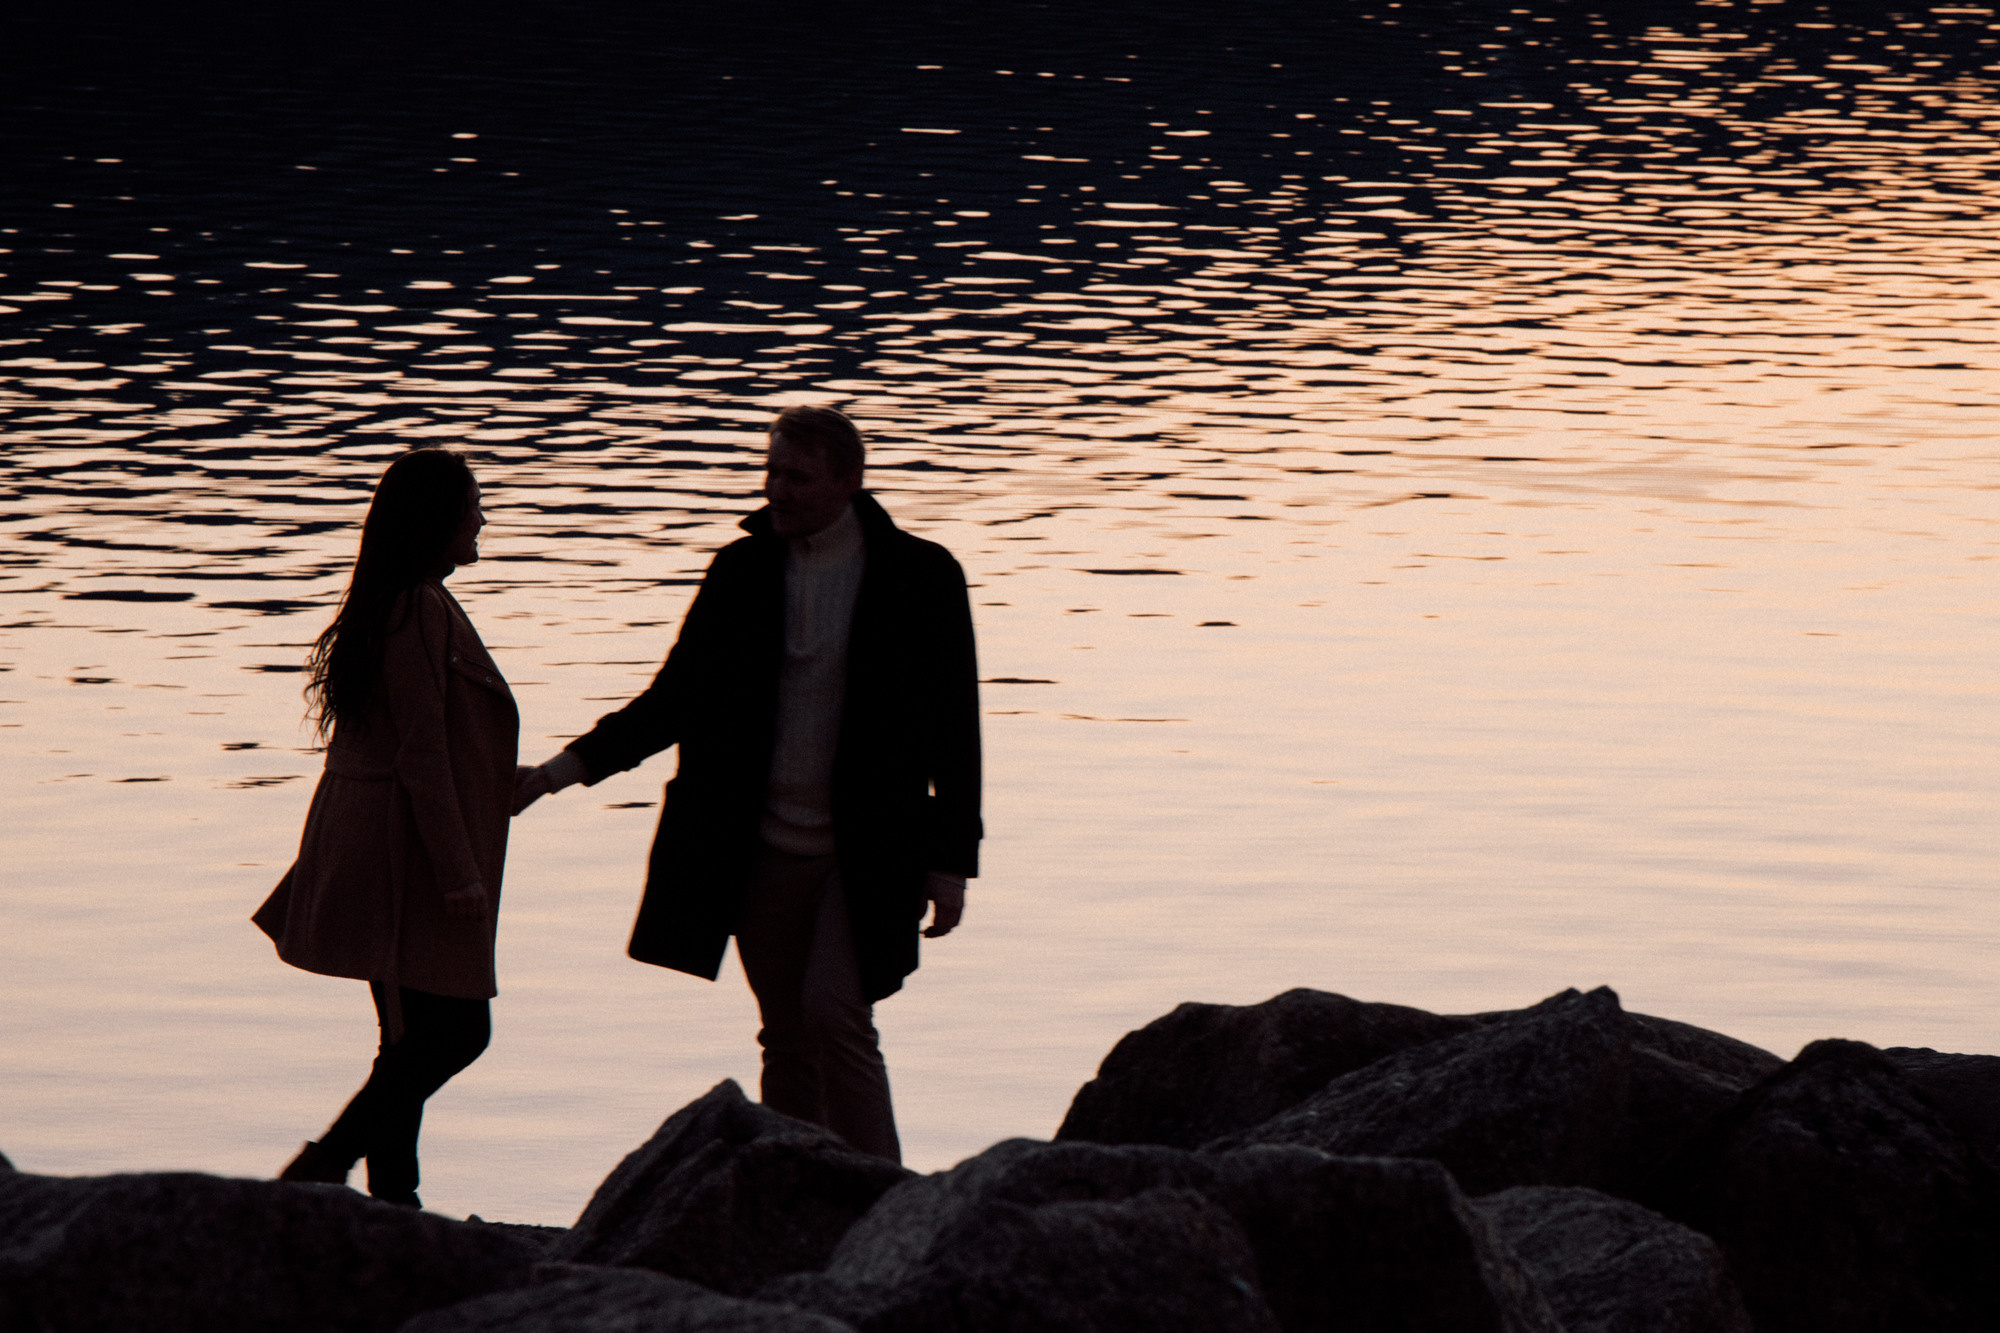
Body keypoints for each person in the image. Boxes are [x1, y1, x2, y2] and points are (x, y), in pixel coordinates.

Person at [513, 405, 980, 1162]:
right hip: (758, 846)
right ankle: (793, 1196)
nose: (777, 491)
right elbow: (674, 697)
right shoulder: (743, 572)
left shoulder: (920, 576)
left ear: (847, 482)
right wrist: (555, 774)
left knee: (836, 1013)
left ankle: (893, 1201)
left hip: (870, 850)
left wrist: (951, 863)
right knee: (787, 1035)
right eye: (771, 473)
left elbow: (956, 730)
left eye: (796, 476)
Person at [253, 447, 518, 1208]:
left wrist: (510, 786)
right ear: (436, 520)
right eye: (474, 505)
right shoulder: (414, 608)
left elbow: (435, 743)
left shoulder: (406, 600)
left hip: (393, 842)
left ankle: (393, 1203)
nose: (483, 519)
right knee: (455, 1031)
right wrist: (459, 871)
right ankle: (322, 1167)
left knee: (408, 1038)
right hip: (399, 855)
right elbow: (422, 751)